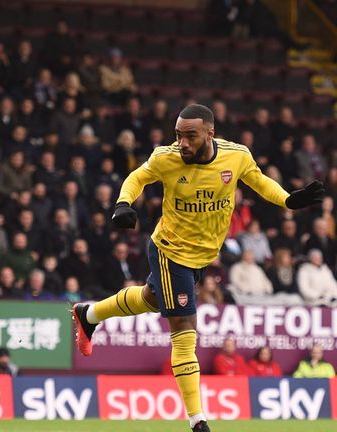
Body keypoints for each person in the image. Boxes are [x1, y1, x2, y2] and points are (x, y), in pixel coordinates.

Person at [71, 104, 324, 432]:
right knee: (184, 326)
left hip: (203, 256)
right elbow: (137, 177)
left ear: (210, 134)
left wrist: (289, 200)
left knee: (150, 299)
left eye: (190, 136)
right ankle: (197, 420)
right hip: (170, 251)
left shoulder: (235, 156)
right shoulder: (167, 157)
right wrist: (123, 204)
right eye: (178, 135)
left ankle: (88, 315)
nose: (183, 143)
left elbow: (259, 182)